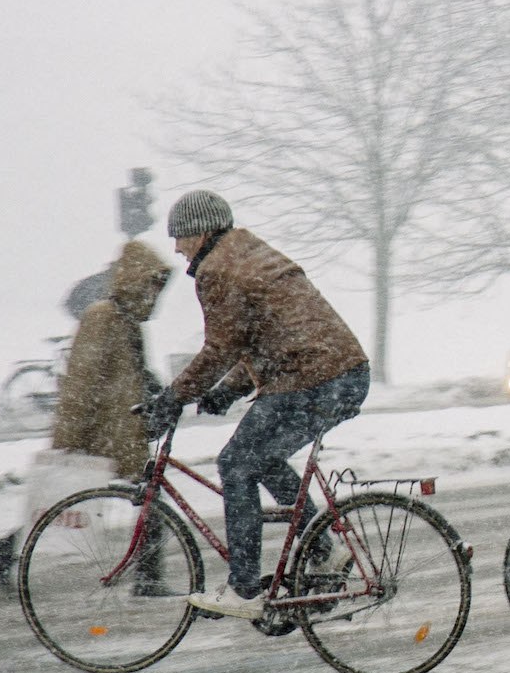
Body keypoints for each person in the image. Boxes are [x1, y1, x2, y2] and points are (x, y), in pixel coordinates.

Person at [139, 191, 371, 622]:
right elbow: (264, 333)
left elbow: (222, 346)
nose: (176, 248)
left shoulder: (218, 268)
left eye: (181, 236)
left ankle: (245, 589)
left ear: (204, 231)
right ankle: (325, 547)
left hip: (310, 379)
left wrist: (173, 397)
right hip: (341, 374)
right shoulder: (246, 253)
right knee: (259, 459)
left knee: (236, 463)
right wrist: (228, 389)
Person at [0, 240, 175, 593]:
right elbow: (81, 382)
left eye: (159, 286)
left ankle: (149, 578)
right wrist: (68, 442)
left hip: (121, 431)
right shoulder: (102, 317)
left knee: (144, 498)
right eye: (151, 283)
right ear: (135, 279)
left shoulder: (128, 322)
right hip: (99, 433)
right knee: (62, 502)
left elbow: (136, 374)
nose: (155, 292)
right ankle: (6, 548)